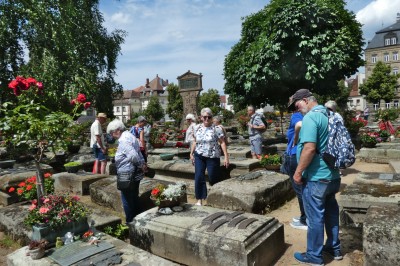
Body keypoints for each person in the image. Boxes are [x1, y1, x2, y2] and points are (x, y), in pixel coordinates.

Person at [288, 89, 342, 265]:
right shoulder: (332, 115)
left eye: (297, 105)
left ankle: (314, 256)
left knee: (314, 217)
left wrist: (297, 173)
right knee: (331, 214)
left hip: (317, 177)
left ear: (305, 100)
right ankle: (334, 248)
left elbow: (309, 148)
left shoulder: (311, 117)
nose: (297, 110)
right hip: (333, 176)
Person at [107, 119, 147, 223]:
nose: (111, 135)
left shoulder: (124, 139)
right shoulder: (130, 136)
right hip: (133, 173)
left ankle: (130, 222)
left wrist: (141, 165)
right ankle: (138, 220)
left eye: (112, 132)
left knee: (127, 199)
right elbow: (138, 153)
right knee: (133, 197)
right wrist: (142, 163)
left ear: (118, 130)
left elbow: (133, 155)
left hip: (127, 174)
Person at [190, 108, 229, 206]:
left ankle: (216, 197)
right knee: (199, 176)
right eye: (204, 117)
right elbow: (195, 141)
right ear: (201, 118)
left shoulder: (216, 129)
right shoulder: (197, 127)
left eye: (209, 117)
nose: (207, 119)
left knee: (213, 176)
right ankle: (199, 199)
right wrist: (191, 153)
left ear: (211, 118)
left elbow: (222, 143)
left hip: (212, 156)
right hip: (199, 155)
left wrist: (226, 157)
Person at [284, 104, 306, 230]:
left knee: (299, 189)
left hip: (294, 154)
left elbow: (300, 125)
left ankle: (305, 220)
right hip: (298, 154)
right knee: (301, 188)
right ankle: (304, 216)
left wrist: (295, 140)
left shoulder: (296, 115)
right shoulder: (304, 115)